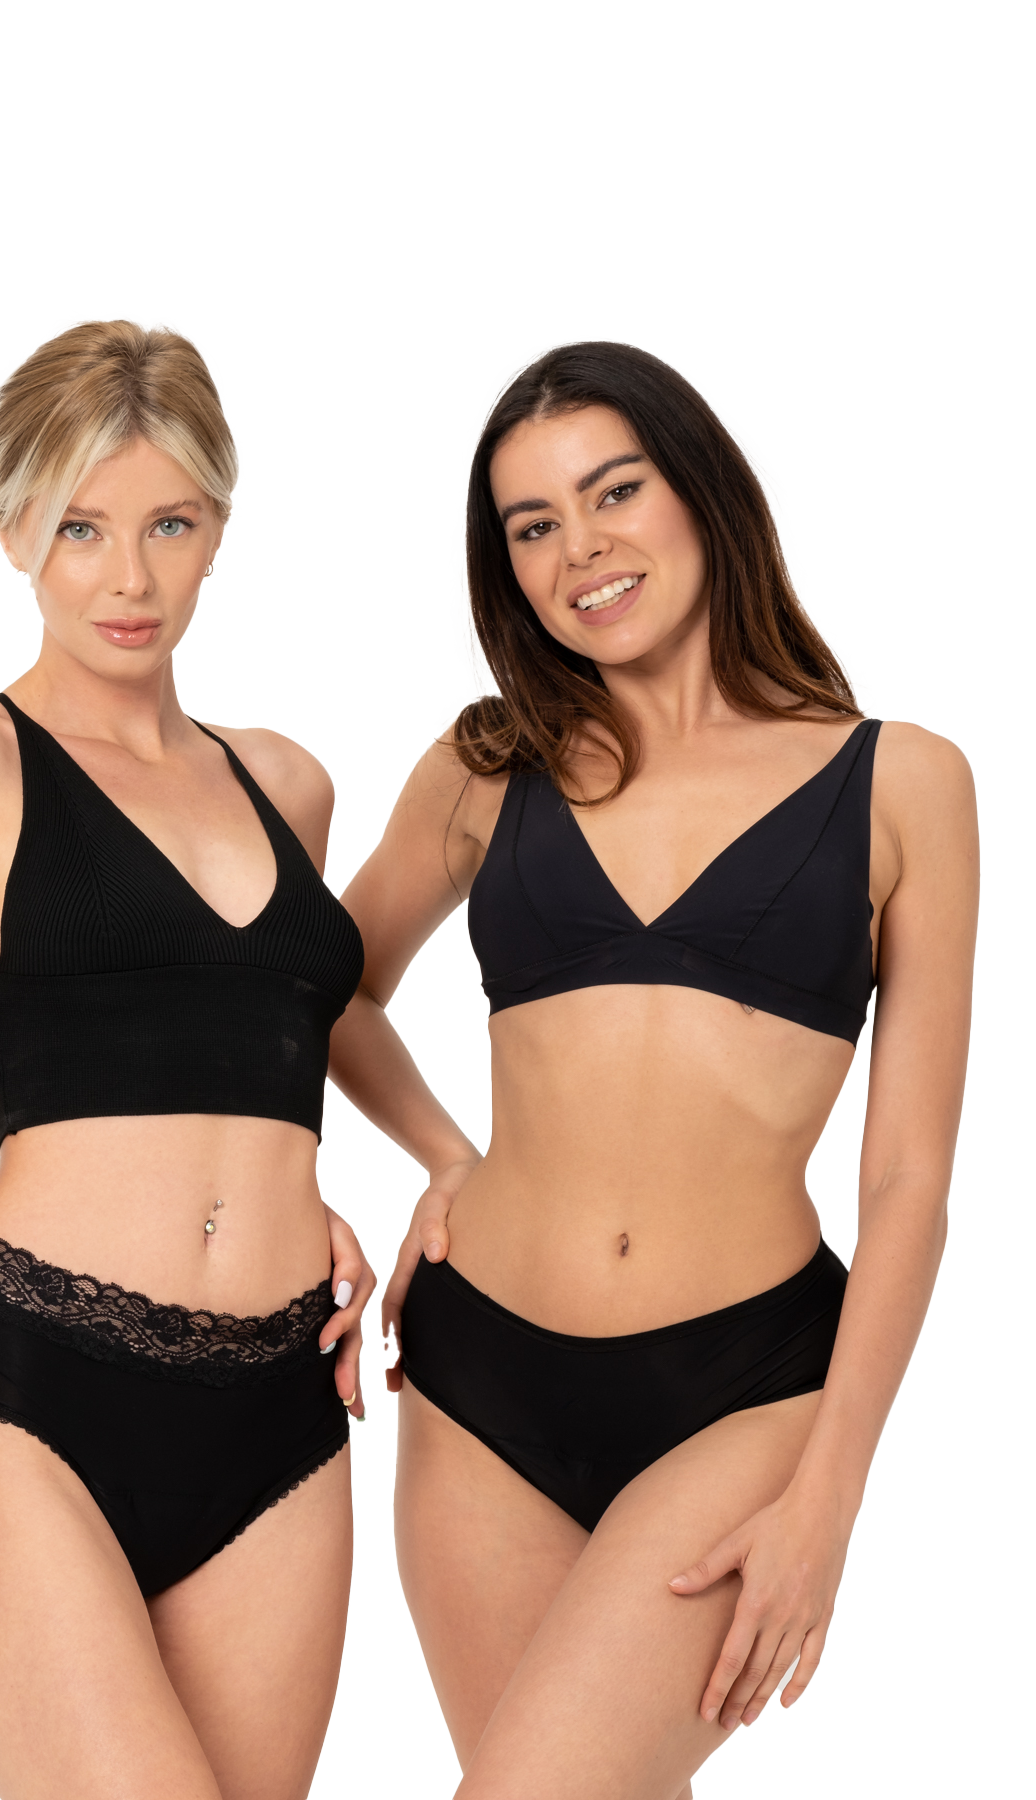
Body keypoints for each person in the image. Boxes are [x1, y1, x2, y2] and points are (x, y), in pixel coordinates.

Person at [329, 338, 978, 1799]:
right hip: (480, 1387)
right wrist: (444, 1155)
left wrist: (831, 1496)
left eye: (614, 491)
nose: (581, 549)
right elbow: (320, 990)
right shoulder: (486, 765)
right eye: (533, 524)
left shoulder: (905, 783)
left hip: (744, 1392)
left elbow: (908, 1176)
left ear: (699, 489)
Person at [0, 318, 374, 1800]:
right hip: (40, 1398)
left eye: (171, 523)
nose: (129, 578)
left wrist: (340, 1182)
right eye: (81, 527)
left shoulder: (287, 782)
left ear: (220, 526)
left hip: (283, 1411)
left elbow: (265, 1032)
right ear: (14, 526)